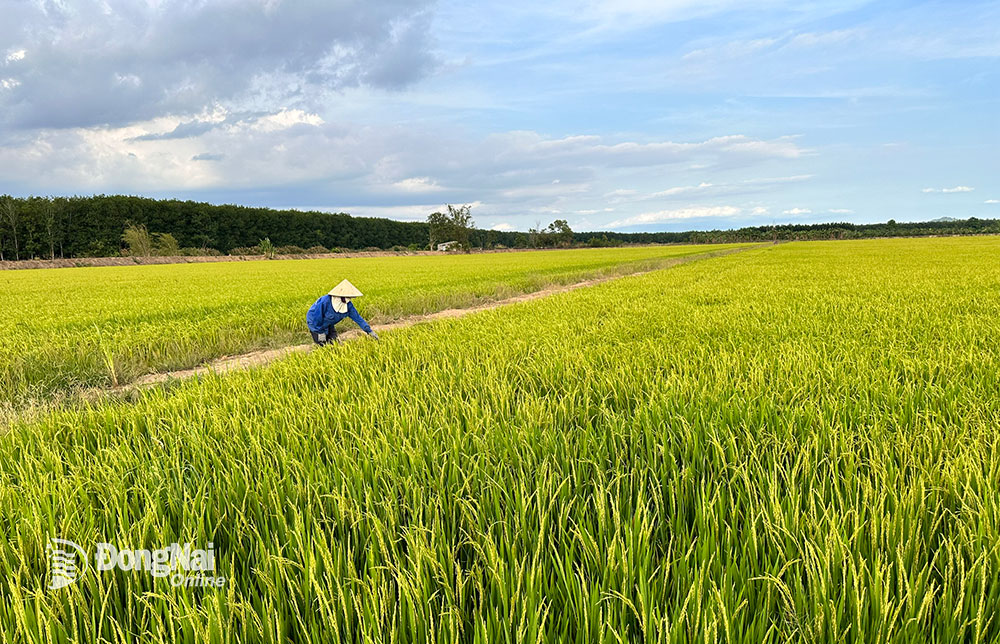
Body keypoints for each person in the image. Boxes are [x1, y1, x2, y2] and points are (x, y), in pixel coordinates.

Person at [306, 279, 379, 346]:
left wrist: (369, 331)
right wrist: (321, 333)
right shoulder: (325, 302)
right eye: (347, 297)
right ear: (340, 296)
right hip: (315, 324)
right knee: (322, 344)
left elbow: (358, 318)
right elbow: (316, 318)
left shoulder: (348, 306)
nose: (349, 300)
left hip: (329, 323)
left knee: (335, 343)